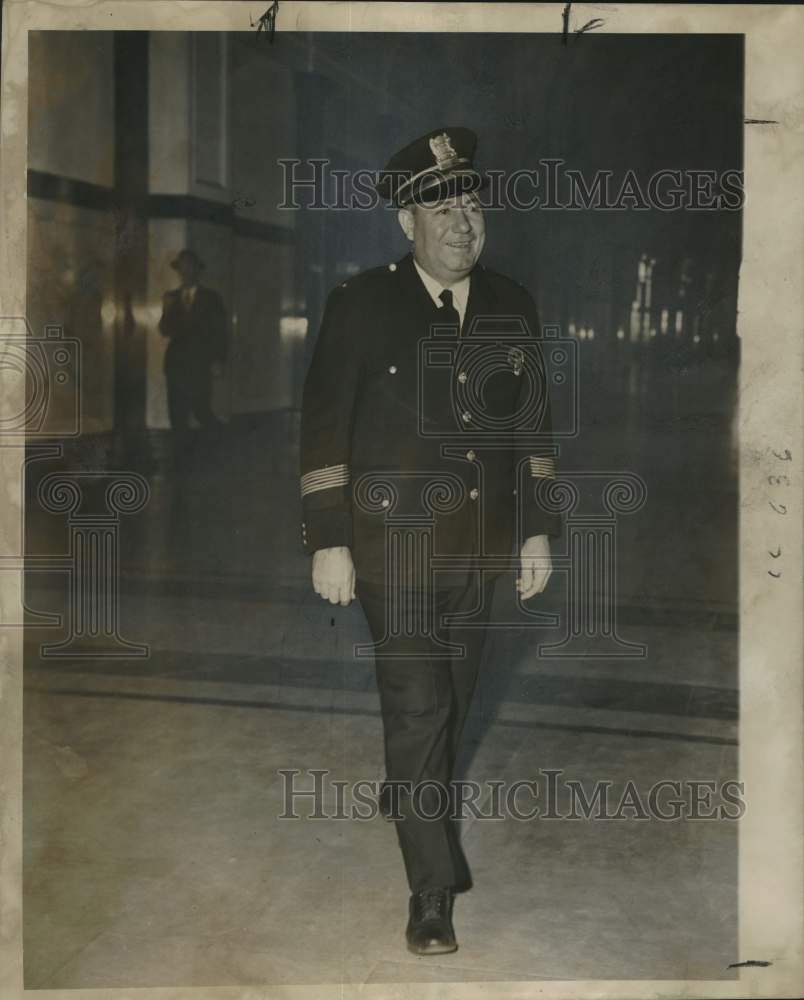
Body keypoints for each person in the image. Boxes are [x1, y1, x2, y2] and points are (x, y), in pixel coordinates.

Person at [300, 128, 561, 955]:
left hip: (480, 551)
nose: (463, 223)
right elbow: (322, 431)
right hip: (392, 552)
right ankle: (431, 891)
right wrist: (329, 540)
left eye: (473, 205)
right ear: (404, 221)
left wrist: (535, 532)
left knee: (451, 704)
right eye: (442, 207)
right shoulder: (360, 304)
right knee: (418, 710)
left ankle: (419, 810)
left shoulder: (512, 304)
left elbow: (532, 429)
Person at [159, 248, 228, 444]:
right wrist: (166, 308)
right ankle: (182, 463)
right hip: (175, 365)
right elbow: (164, 330)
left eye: (189, 267)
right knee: (177, 414)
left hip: (200, 363)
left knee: (201, 409)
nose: (185, 272)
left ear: (198, 271)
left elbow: (221, 332)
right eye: (181, 268)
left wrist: (219, 360)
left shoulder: (211, 298)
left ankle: (223, 444)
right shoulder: (171, 297)